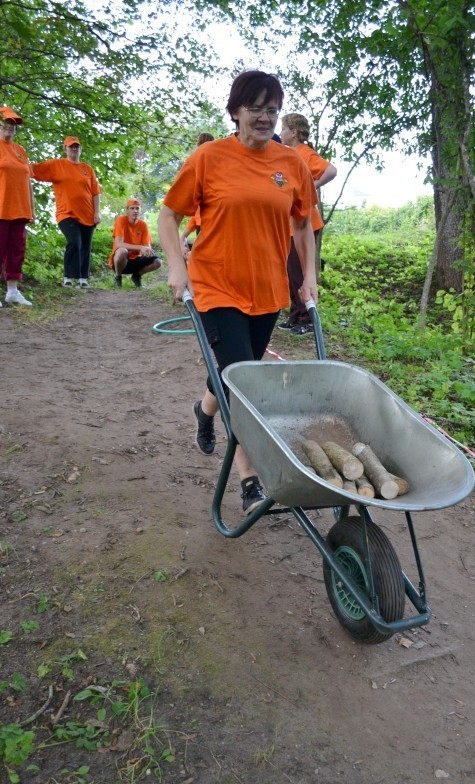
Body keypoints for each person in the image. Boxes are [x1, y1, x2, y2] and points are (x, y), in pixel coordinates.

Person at [158, 70, 318, 515]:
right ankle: (251, 485)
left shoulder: (292, 164)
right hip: (216, 286)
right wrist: (176, 264)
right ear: (235, 112)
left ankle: (204, 410)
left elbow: (303, 225)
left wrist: (309, 277)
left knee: (231, 375)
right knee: (245, 384)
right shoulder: (209, 157)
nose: (265, 118)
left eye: (272, 110)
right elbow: (169, 215)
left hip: (267, 292)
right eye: (255, 109)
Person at [279, 113, 337, 335]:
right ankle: (295, 316)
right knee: (291, 273)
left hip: (305, 225)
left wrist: (311, 188)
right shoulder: (287, 153)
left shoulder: (304, 152)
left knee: (301, 272)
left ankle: (307, 319)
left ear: (293, 132)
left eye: (284, 129)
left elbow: (331, 171)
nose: (281, 132)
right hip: (290, 226)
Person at [31, 136, 102, 288]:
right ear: (65, 149)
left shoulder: (87, 169)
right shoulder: (57, 165)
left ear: (80, 149)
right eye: (70, 147)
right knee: (74, 242)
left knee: (85, 246)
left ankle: (83, 278)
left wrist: (97, 212)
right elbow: (32, 169)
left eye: (76, 147)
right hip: (66, 214)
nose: (74, 149)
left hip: (88, 214)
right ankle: (68, 276)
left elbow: (96, 193)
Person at [0, 106, 34, 307]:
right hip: (1, 207)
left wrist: (32, 208)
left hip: (20, 209)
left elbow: (28, 179)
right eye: (7, 123)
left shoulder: (20, 150)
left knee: (16, 249)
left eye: (13, 124)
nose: (10, 127)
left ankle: (12, 291)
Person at [109, 199, 162, 287]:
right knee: (122, 251)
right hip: (121, 261)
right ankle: (118, 277)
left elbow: (147, 246)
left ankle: (137, 276)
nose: (135, 211)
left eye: (137, 208)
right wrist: (141, 247)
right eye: (132, 208)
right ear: (127, 211)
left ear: (140, 211)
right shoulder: (121, 220)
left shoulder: (143, 225)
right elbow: (119, 244)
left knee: (158, 262)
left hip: (136, 259)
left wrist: (147, 250)